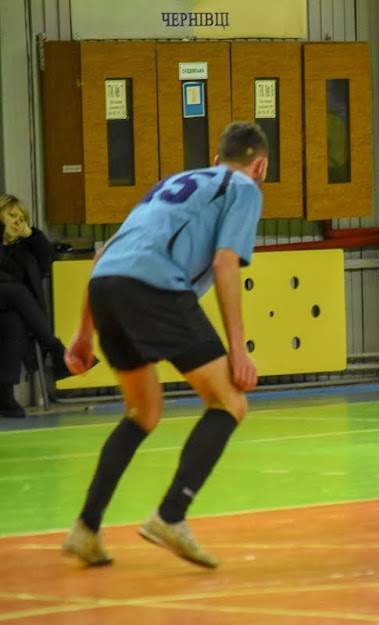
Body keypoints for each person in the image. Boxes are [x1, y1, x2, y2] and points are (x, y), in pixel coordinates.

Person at [61, 121, 268, 568]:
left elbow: (105, 253)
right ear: (261, 166)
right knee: (229, 402)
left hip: (106, 287)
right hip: (155, 287)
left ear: (214, 160)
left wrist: (82, 333)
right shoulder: (245, 187)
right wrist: (238, 348)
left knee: (143, 411)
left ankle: (86, 528)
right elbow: (226, 263)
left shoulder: (172, 183)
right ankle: (170, 516)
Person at [0, 195, 80, 418]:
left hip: (6, 309)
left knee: (15, 322)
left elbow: (47, 261)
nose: (18, 221)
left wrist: (31, 235)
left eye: (22, 218)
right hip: (9, 296)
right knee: (17, 291)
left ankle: (4, 396)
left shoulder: (22, 249)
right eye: (12, 215)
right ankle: (55, 349)